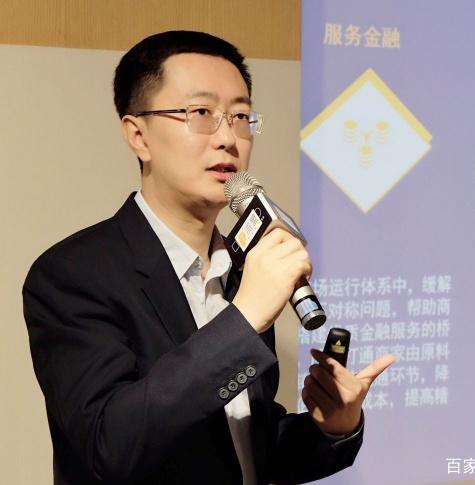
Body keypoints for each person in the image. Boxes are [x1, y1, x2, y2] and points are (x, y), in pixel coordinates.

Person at [23, 30, 394, 485]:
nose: (228, 138)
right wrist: (245, 318)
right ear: (138, 135)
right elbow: (109, 446)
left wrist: (332, 427)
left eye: (240, 116)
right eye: (201, 113)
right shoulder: (73, 274)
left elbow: (241, 446)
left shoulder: (241, 270)